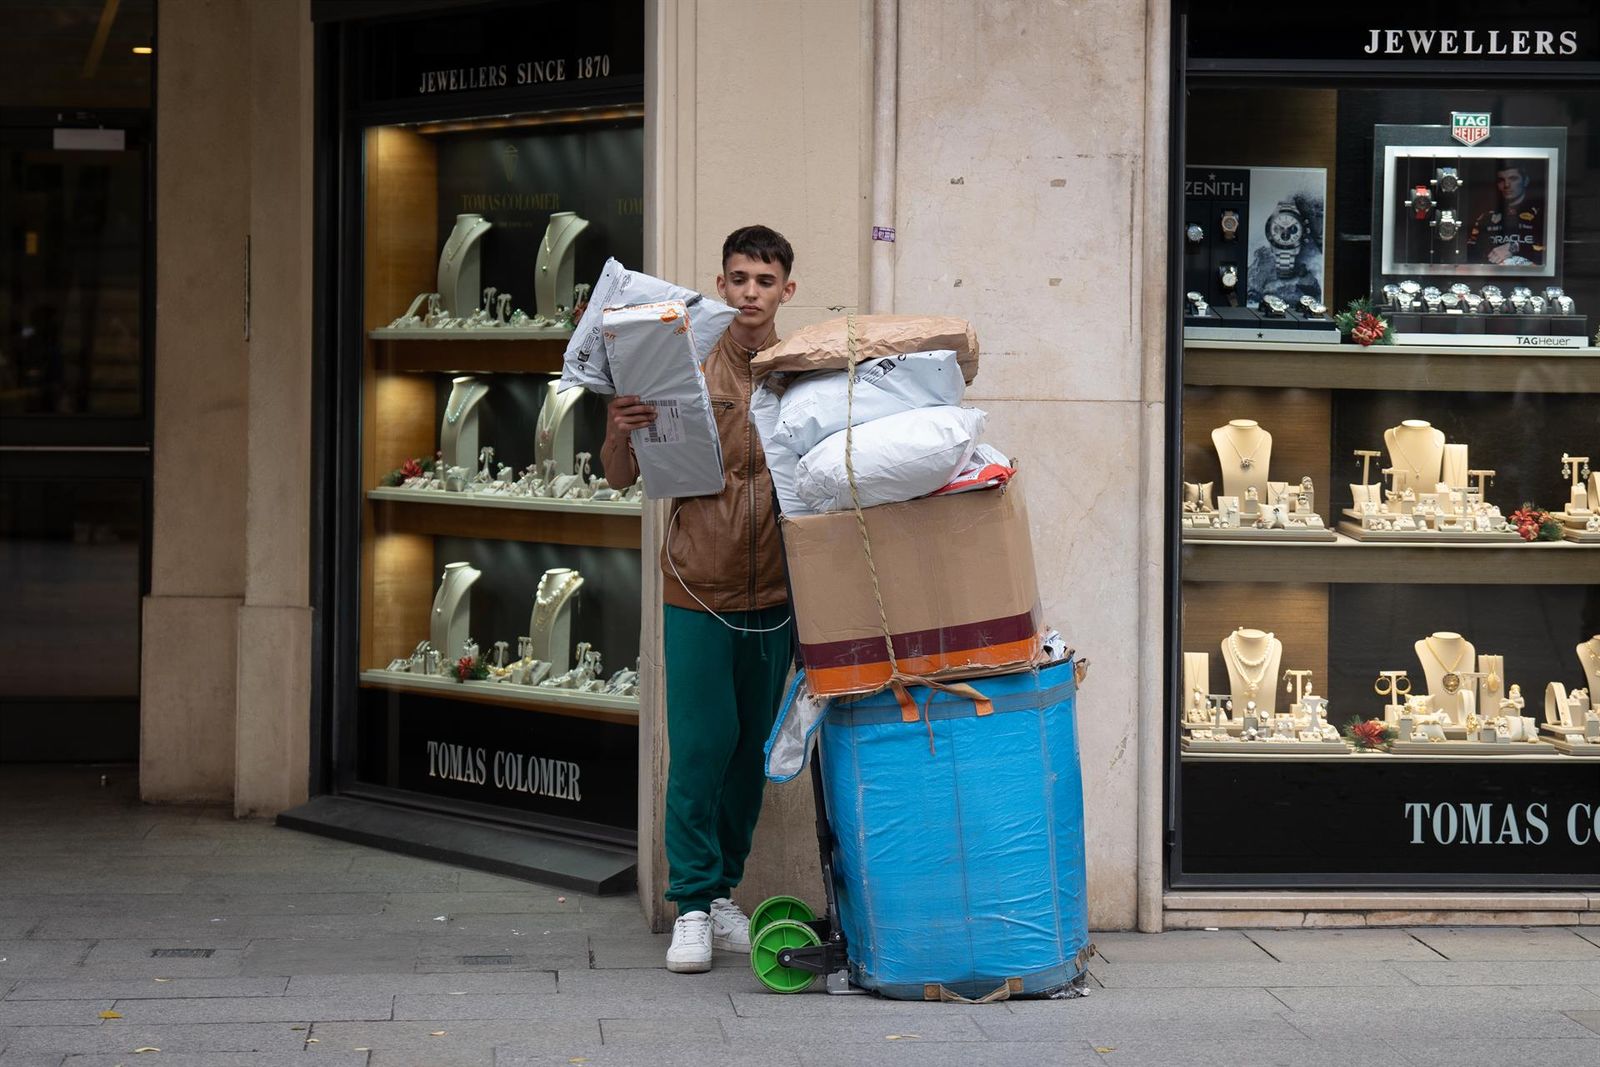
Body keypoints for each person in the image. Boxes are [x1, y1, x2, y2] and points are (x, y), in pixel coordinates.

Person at [599, 225, 797, 974]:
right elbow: (621, 476)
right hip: (696, 588)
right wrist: (618, 428)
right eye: (739, 278)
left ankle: (720, 895)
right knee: (700, 749)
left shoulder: (799, 373)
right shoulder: (682, 362)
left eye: (765, 281)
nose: (750, 292)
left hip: (776, 595)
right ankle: (689, 903)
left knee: (751, 754)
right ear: (721, 285)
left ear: (786, 290)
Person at [1466, 161, 1544, 266]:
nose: (1507, 185)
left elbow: (1551, 251)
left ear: (1525, 181)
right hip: (1493, 273)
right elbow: (1471, 252)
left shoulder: (1541, 214)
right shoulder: (1486, 217)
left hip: (1531, 274)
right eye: (1501, 180)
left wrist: (1515, 247)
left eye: (1513, 178)